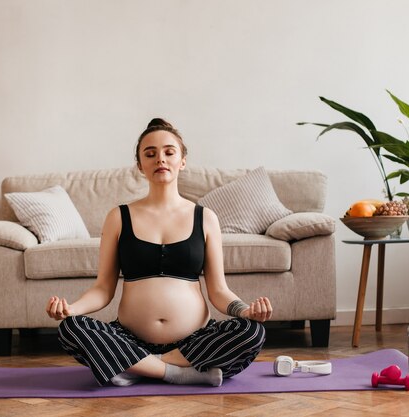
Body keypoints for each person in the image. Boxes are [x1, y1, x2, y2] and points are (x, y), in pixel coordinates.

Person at [46, 118, 272, 387]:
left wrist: (245, 311)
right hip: (129, 337)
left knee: (251, 332)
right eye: (150, 154)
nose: (160, 159)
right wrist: (71, 309)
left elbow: (219, 291)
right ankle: (176, 373)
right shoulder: (118, 217)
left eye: (169, 152)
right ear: (140, 165)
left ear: (182, 160)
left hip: (194, 341)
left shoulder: (205, 218)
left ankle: (136, 365)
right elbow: (103, 289)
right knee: (72, 328)